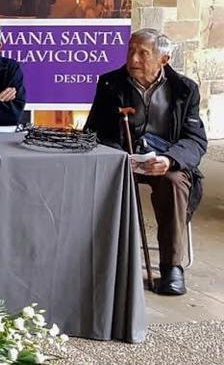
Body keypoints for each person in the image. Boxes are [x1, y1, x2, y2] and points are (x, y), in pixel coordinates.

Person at [84, 29, 206, 296]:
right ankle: (110, 263)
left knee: (175, 182)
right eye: (130, 50)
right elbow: (93, 132)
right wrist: (119, 156)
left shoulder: (185, 90)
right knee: (104, 182)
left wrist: (169, 160)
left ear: (164, 58)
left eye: (143, 53)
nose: (133, 59)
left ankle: (172, 267)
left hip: (164, 161)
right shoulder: (110, 84)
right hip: (122, 161)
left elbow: (196, 140)